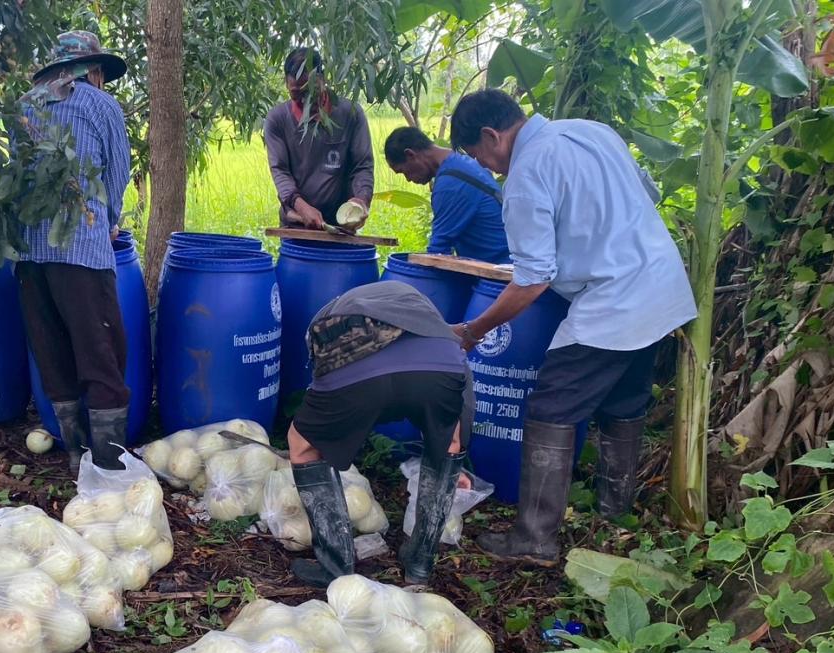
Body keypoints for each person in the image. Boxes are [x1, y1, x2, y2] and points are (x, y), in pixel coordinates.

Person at [447, 89, 696, 565]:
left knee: (552, 407)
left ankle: (534, 539)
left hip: (614, 301)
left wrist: (474, 330)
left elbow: (533, 279)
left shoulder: (525, 176)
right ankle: (614, 515)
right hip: (660, 286)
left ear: (491, 135)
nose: (486, 167)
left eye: (478, 155)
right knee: (624, 403)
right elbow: (646, 194)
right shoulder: (589, 131)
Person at [288, 280, 473, 586]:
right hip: (437, 372)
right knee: (449, 444)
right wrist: (455, 457)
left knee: (302, 443)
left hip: (356, 376)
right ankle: (420, 564)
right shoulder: (433, 322)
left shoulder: (331, 315)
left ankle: (335, 568)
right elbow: (460, 413)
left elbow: (323, 372)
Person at [18, 31, 132, 472]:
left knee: (52, 351)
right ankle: (108, 462)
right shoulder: (101, 105)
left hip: (29, 254)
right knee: (101, 353)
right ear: (95, 70)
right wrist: (109, 220)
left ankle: (74, 453)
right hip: (82, 251)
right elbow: (116, 176)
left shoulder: (24, 105)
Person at [264, 48, 374, 230]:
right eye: (296, 94)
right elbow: (280, 171)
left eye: (310, 93)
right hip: (296, 225)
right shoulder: (277, 120)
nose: (305, 101)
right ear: (286, 84)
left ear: (323, 80)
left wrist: (361, 200)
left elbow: (362, 166)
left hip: (341, 227)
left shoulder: (351, 114)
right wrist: (301, 207)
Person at [384, 125, 511, 263]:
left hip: (497, 268)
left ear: (410, 155)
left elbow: (438, 253)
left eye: (403, 171)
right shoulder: (460, 161)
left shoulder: (450, 184)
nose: (408, 179)